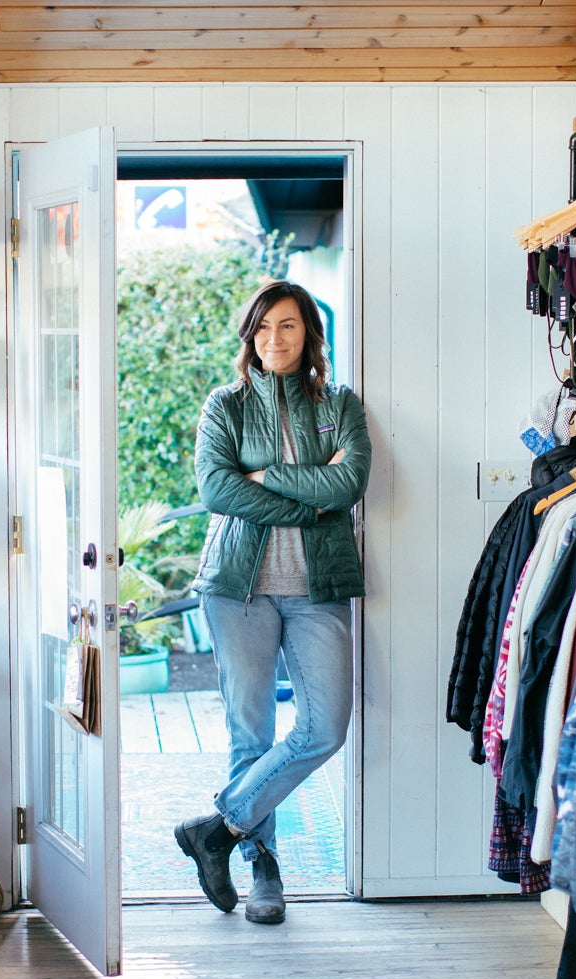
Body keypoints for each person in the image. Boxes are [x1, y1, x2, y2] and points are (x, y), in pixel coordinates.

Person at [173, 280, 371, 925]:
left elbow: (352, 480)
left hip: (319, 590)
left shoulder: (339, 403)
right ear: (249, 337)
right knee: (249, 732)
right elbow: (217, 491)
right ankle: (264, 867)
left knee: (325, 728)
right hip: (239, 590)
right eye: (262, 328)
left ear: (308, 333)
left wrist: (270, 476)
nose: (273, 340)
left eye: (286, 326)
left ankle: (216, 830)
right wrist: (312, 500)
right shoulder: (224, 406)